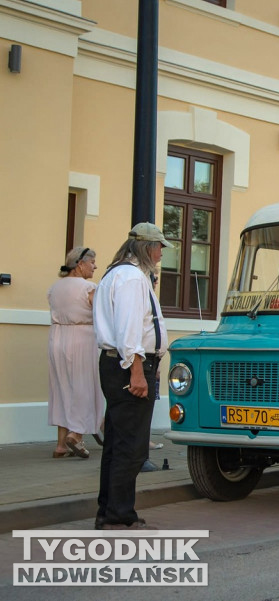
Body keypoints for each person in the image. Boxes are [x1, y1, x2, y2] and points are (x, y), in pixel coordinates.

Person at [92, 223, 170, 530]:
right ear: (146, 248)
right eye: (159, 246)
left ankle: (109, 510)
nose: (162, 252)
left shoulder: (118, 274)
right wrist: (137, 370)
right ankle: (118, 514)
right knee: (131, 446)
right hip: (130, 365)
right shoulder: (130, 277)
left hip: (121, 363)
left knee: (117, 442)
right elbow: (128, 329)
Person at [47, 247, 103, 458]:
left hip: (57, 337)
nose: (95, 266)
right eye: (92, 262)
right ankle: (76, 434)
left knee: (61, 388)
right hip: (81, 337)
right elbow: (100, 314)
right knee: (84, 386)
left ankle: (60, 445)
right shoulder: (88, 287)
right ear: (80, 264)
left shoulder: (55, 287)